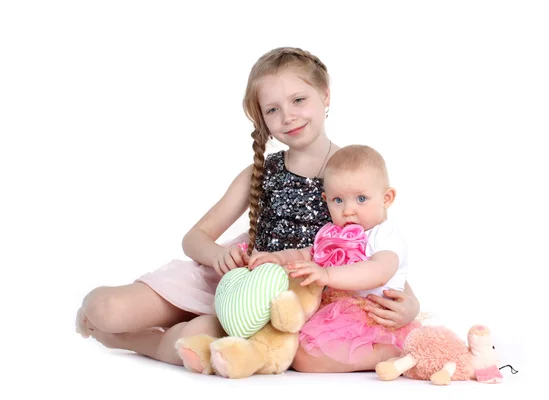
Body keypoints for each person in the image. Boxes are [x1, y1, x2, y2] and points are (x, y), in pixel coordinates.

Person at [75, 46, 421, 370]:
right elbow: (194, 237)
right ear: (263, 118)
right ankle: (118, 320)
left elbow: (380, 248)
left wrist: (412, 303)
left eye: (299, 99)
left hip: (294, 301)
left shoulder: (355, 172)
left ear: (325, 95)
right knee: (105, 309)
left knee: (194, 340)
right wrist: (216, 257)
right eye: (273, 109)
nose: (288, 116)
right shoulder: (260, 173)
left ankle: (136, 341)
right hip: (236, 277)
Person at [248, 144, 421, 372]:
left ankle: (391, 351)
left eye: (361, 199)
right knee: (294, 346)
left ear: (386, 198)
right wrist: (277, 258)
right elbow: (308, 252)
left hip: (375, 318)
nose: (348, 210)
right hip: (337, 313)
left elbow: (379, 272)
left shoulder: (386, 234)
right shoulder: (331, 232)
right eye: (338, 200)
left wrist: (327, 274)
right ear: (325, 199)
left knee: (304, 359)